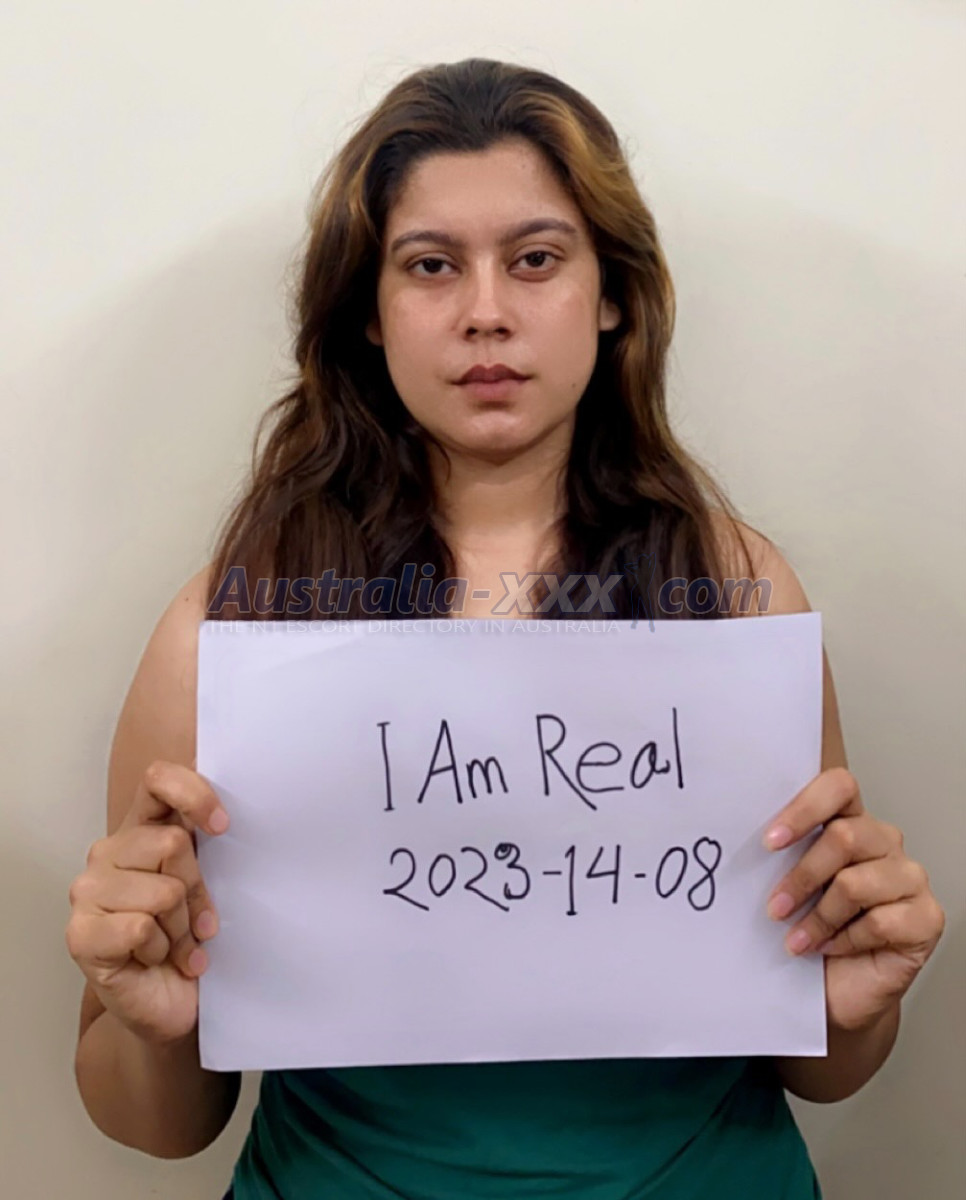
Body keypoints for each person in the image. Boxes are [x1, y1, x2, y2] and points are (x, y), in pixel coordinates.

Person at [65, 57, 945, 1199]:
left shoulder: (734, 592)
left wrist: (857, 1001)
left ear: (612, 292)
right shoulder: (235, 627)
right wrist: (147, 1017)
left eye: (536, 259)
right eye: (431, 265)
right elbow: (159, 1123)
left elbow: (815, 1063)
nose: (486, 311)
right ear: (369, 313)